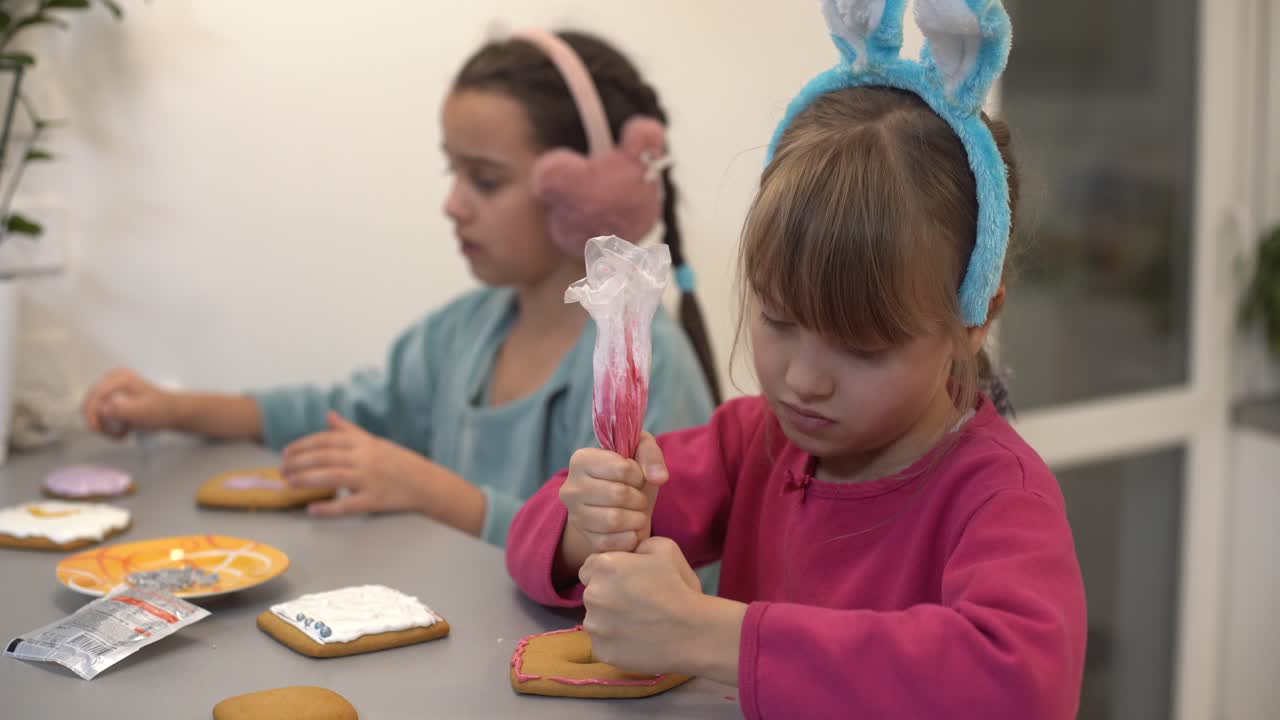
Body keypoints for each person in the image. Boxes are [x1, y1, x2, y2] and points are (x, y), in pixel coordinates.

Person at [504, 2, 1086, 716]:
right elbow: (531, 536)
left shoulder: (997, 497)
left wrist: (712, 635)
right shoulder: (754, 441)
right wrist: (582, 528)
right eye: (779, 320)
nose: (804, 380)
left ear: (975, 319)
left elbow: (1018, 684)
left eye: (864, 347)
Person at [81, 30, 718, 547]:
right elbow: (340, 414)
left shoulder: (647, 370)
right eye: (453, 171)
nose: (452, 204)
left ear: (588, 192)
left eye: (486, 180)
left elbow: (648, 560)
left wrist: (437, 494)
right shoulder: (459, 335)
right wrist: (176, 409)